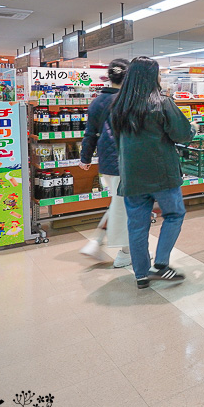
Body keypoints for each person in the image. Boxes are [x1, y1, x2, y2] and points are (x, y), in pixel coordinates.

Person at [108, 57, 194, 289]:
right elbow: (183, 134)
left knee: (137, 226)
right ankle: (162, 264)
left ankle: (141, 274)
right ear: (152, 77)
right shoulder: (163, 103)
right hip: (162, 173)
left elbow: (117, 141)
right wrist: (192, 129)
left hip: (132, 175)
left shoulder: (118, 106)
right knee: (174, 215)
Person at [79, 59, 130, 267]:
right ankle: (125, 253)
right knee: (123, 208)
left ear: (109, 77)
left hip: (107, 162)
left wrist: (85, 157)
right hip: (126, 161)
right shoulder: (128, 101)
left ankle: (98, 241)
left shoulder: (97, 102)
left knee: (119, 204)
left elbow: (90, 133)